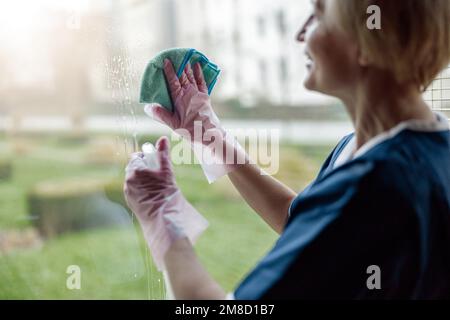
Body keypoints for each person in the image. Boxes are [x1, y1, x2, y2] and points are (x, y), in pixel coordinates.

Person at [124, 0, 450, 299]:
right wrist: (212, 136)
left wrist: (163, 219)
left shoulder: (377, 184)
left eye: (319, 16)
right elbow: (301, 220)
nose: (300, 35)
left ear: (367, 43)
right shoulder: (383, 146)